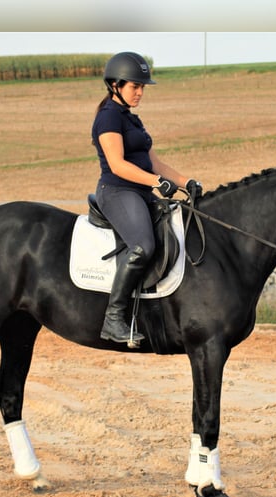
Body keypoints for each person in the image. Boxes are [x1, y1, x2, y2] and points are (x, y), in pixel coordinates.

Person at [92, 51, 202, 345]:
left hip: (140, 191)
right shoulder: (108, 118)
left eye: (141, 87)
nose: (140, 92)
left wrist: (185, 182)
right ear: (115, 85)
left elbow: (154, 164)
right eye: (134, 86)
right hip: (116, 191)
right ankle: (113, 319)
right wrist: (156, 183)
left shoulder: (132, 119)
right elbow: (118, 164)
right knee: (142, 246)